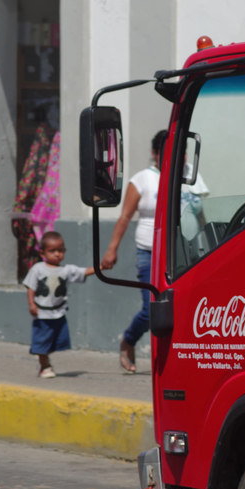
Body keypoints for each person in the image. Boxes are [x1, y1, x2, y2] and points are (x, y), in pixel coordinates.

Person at [102, 130, 166, 373]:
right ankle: (128, 340)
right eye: (165, 152)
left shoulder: (189, 176)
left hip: (180, 255)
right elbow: (125, 217)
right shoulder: (142, 179)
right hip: (149, 253)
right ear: (154, 153)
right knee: (151, 309)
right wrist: (111, 250)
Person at [22, 231, 98, 378]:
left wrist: (102, 267)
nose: (57, 254)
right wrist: (32, 304)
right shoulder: (38, 269)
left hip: (58, 313)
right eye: (52, 251)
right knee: (42, 341)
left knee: (59, 341)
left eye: (60, 250)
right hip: (42, 314)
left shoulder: (66, 270)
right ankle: (45, 366)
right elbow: (30, 287)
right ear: (42, 252)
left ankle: (42, 354)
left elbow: (84, 272)